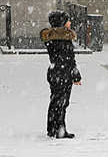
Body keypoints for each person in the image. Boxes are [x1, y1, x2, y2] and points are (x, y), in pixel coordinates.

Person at [40, 10, 82, 138]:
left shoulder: (52, 38)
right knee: (62, 103)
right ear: (62, 23)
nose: (70, 23)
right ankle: (59, 131)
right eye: (67, 20)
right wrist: (76, 75)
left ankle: (53, 129)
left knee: (56, 102)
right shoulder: (64, 39)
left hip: (54, 73)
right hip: (63, 74)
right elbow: (69, 60)